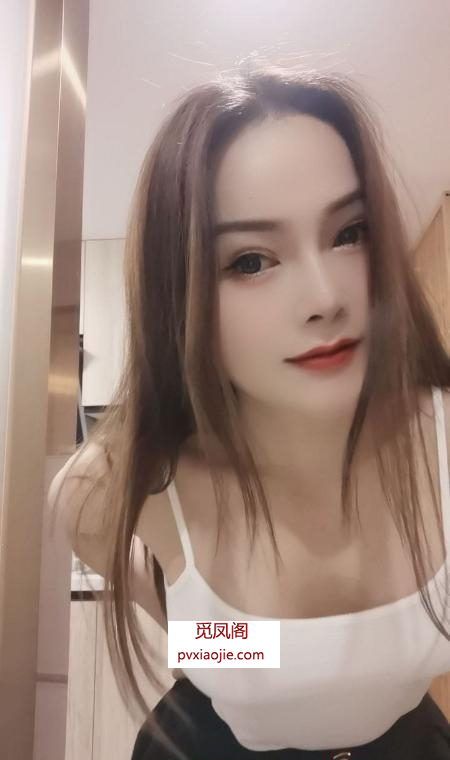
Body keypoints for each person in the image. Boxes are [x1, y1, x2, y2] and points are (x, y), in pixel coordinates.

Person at [49, 63, 450, 759]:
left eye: (350, 232)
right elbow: (200, 634)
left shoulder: (440, 440)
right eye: (251, 262)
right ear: (179, 295)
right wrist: (241, 646)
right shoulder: (109, 489)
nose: (325, 297)